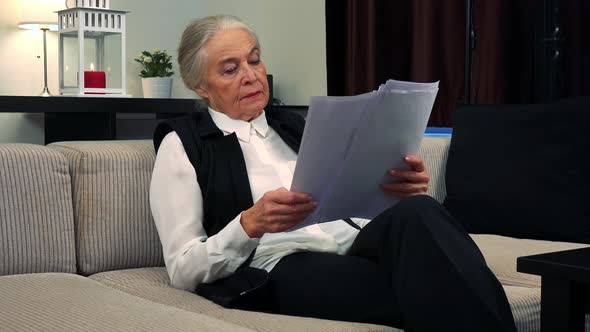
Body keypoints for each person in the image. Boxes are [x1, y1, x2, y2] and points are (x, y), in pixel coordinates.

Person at [150, 15, 517, 332]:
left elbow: (348, 199)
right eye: (231, 69)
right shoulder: (184, 145)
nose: (251, 76)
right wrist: (249, 223)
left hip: (355, 243)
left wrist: (396, 191)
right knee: (435, 287)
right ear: (200, 86)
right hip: (281, 264)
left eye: (255, 61)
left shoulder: (294, 126)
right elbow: (182, 268)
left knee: (421, 210)